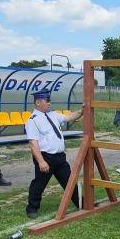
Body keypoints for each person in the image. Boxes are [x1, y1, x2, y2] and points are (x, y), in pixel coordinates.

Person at [24, 91, 84, 219]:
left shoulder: (53, 115)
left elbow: (68, 117)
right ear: (38, 102)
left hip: (59, 157)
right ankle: (32, 208)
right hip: (45, 157)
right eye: (46, 101)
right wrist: (41, 162)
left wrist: (81, 111)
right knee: (39, 183)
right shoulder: (33, 120)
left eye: (49, 100)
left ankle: (81, 202)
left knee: (69, 181)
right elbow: (33, 143)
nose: (49, 103)